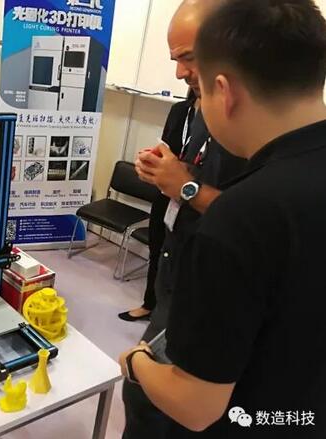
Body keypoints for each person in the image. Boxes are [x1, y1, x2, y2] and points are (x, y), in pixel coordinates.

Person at [119, 0, 326, 437]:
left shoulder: (244, 214)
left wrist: (135, 362)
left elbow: (194, 405)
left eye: (190, 62)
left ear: (224, 91)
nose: (183, 75)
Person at [119, 0, 247, 437]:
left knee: (149, 394)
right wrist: (170, 172)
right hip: (179, 265)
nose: (179, 73)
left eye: (188, 57)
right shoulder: (202, 110)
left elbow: (252, 217)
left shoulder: (264, 140)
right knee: (143, 396)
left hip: (208, 283)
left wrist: (186, 187)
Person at [118, 89, 197, 322]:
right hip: (165, 194)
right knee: (158, 248)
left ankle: (173, 317)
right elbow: (165, 147)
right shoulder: (180, 110)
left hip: (193, 197)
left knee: (185, 259)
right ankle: (150, 304)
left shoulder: (219, 119)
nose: (183, 74)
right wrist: (151, 161)